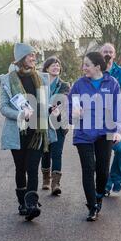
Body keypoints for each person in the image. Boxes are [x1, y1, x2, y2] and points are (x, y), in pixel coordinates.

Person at [0, 43, 57, 221]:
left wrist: (50, 109)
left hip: (37, 131)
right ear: (21, 59)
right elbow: (3, 107)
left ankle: (31, 203)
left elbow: (43, 103)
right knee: (21, 168)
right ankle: (22, 203)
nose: (33, 58)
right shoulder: (7, 80)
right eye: (30, 55)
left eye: (34, 55)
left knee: (33, 168)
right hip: (18, 131)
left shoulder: (41, 78)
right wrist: (19, 114)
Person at [68, 52, 121, 221]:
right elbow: (70, 108)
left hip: (105, 132)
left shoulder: (112, 83)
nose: (83, 68)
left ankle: (99, 196)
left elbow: (118, 110)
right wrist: (74, 113)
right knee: (88, 169)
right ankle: (92, 206)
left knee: (102, 171)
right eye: (83, 64)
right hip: (83, 134)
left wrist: (118, 130)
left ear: (97, 67)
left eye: (87, 65)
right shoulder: (79, 85)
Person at [100, 43, 121, 196]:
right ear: (100, 54)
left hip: (117, 117)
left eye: (110, 51)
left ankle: (115, 178)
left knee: (119, 150)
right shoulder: (95, 70)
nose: (108, 54)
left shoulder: (120, 72)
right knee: (102, 154)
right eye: (105, 51)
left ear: (114, 54)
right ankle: (105, 185)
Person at [40, 57, 70, 195]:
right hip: (43, 123)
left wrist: (56, 107)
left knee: (57, 153)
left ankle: (55, 183)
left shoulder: (64, 85)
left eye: (58, 65)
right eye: (53, 65)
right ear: (46, 68)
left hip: (58, 122)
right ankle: (46, 178)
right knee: (45, 152)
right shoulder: (40, 84)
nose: (56, 67)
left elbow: (64, 99)